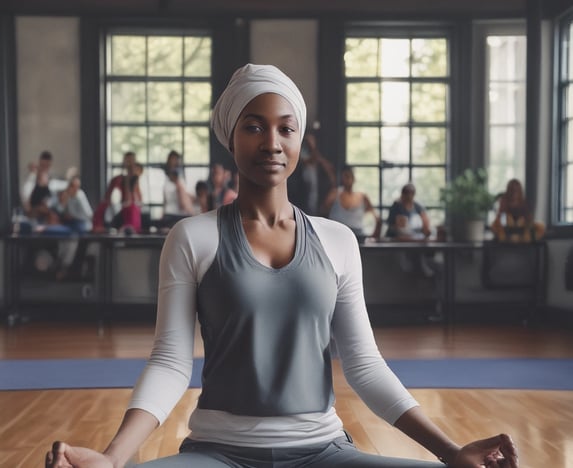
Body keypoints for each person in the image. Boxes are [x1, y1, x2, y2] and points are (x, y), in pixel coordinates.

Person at [46, 64, 518, 468]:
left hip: (323, 451)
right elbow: (171, 363)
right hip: (218, 454)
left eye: (286, 129)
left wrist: (452, 453)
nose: (271, 141)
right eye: (254, 126)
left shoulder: (338, 241)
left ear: (298, 140)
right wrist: (112, 458)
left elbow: (365, 366)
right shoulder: (193, 237)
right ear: (231, 138)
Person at [323, 164, 381, 241]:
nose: (348, 179)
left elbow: (377, 219)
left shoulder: (362, 197)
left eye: (350, 176)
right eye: (346, 176)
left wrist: (374, 236)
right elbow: (323, 213)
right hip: (337, 234)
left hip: (358, 236)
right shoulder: (335, 193)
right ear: (342, 178)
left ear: (354, 178)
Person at [92, 151, 143, 234]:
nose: (130, 165)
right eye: (128, 161)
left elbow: (138, 201)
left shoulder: (137, 180)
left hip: (133, 216)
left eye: (132, 162)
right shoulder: (117, 179)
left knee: (132, 210)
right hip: (120, 214)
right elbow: (108, 199)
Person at [287, 130, 336, 215]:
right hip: (300, 211)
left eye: (311, 147)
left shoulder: (322, 167)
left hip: (320, 212)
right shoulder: (297, 168)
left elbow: (332, 181)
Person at [490, 178, 545, 242]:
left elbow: (529, 220)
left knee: (540, 227)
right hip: (507, 231)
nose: (514, 192)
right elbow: (502, 221)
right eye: (512, 189)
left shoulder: (524, 204)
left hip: (522, 232)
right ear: (509, 191)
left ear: (520, 191)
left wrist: (526, 232)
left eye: (516, 190)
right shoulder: (504, 203)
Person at [161, 150, 195, 228]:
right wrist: (162, 214)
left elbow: (185, 201)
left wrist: (191, 213)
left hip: (180, 214)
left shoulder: (181, 179)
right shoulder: (166, 179)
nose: (173, 163)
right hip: (169, 214)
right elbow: (165, 200)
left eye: (175, 160)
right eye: (171, 160)